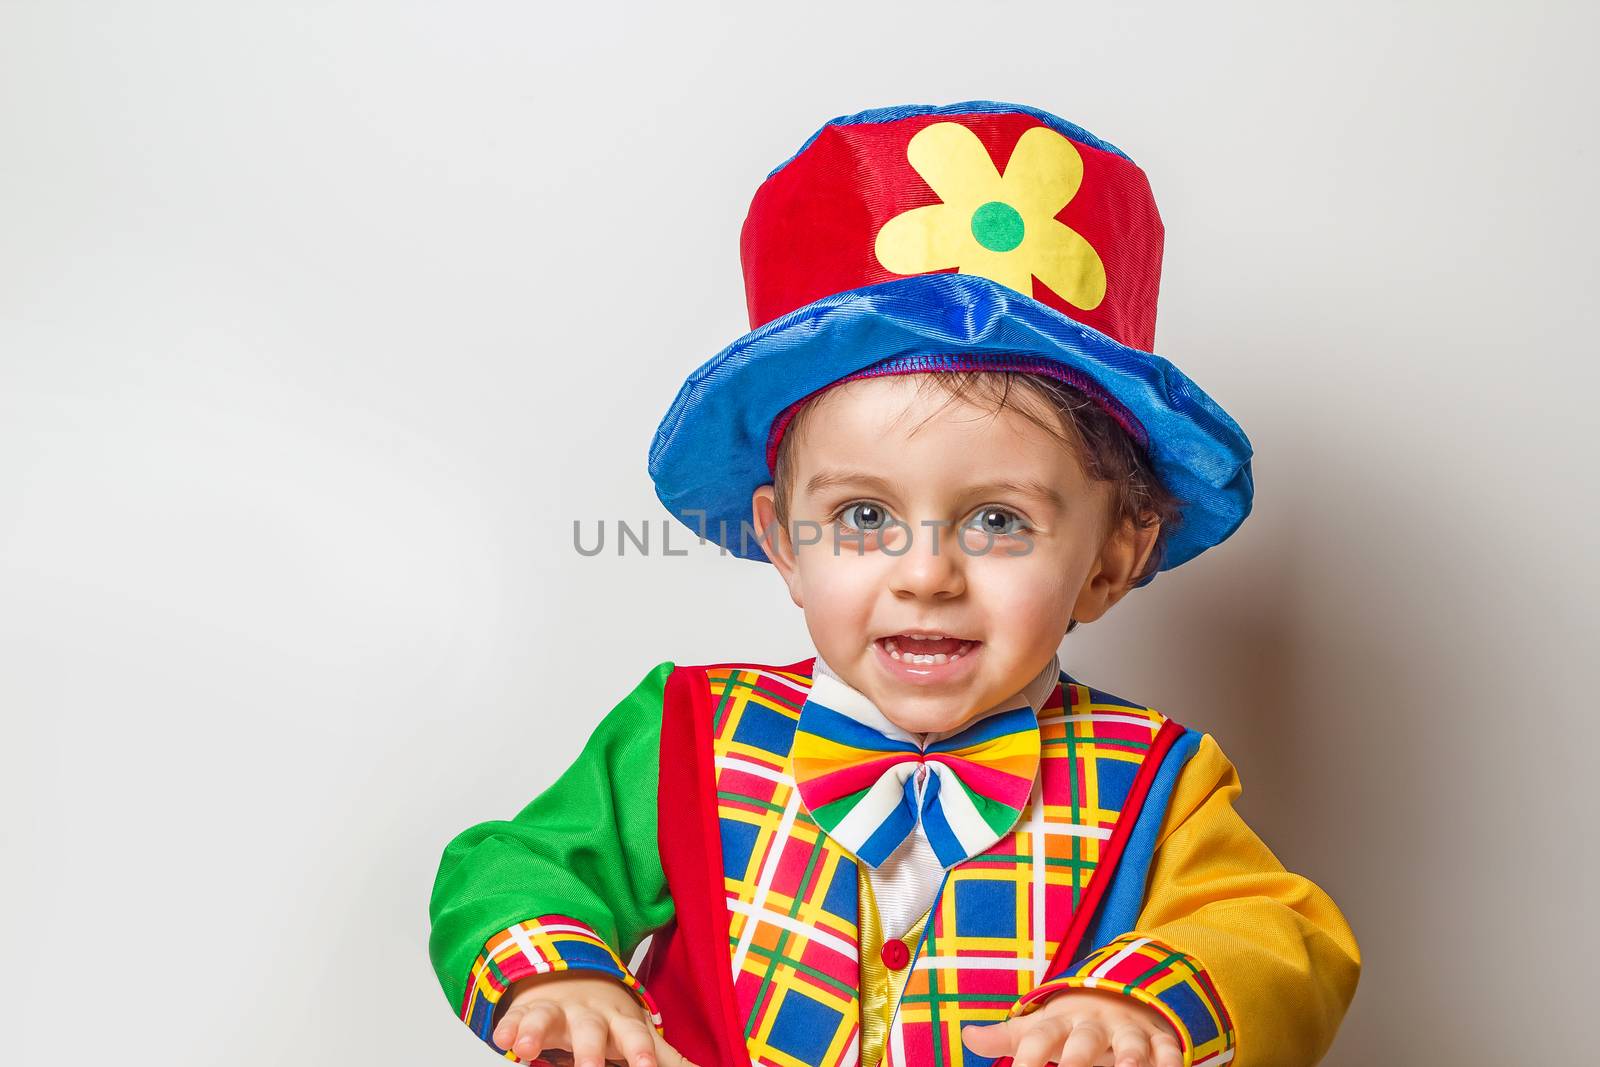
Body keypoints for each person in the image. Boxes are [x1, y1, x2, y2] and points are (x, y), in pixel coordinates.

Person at [427, 100, 1360, 1067]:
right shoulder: (679, 732)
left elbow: (1280, 932)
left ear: (1114, 558)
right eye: (864, 517)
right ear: (783, 542)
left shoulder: (1160, 781)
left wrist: (1151, 1006)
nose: (925, 575)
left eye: (999, 520)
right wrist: (561, 975)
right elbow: (514, 864)